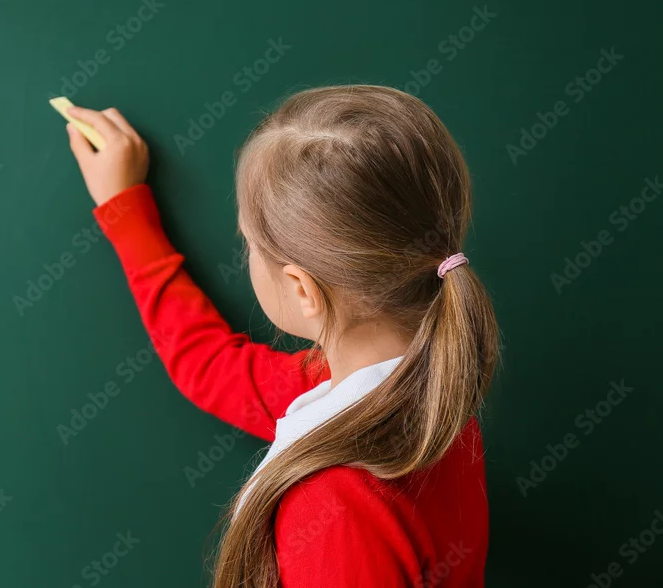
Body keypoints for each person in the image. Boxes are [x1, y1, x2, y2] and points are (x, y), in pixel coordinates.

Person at [63, 85, 498, 587]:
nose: (246, 254)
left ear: (301, 288)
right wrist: (125, 210)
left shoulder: (334, 507)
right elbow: (211, 366)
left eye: (248, 243)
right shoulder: (430, 390)